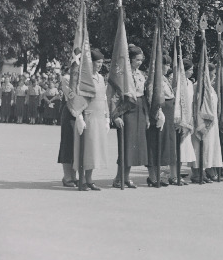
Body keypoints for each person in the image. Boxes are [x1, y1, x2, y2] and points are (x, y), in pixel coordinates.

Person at [72, 49, 110, 191]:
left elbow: (104, 98)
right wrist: (79, 117)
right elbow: (78, 98)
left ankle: (89, 179)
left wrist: (107, 117)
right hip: (88, 117)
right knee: (85, 150)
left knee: (94, 151)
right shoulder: (84, 78)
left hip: (99, 117)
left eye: (101, 62)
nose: (100, 65)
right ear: (91, 62)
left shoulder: (101, 78)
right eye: (97, 62)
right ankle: (81, 179)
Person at [112, 45, 148, 188]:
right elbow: (115, 96)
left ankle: (126, 177)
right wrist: (115, 116)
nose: (139, 62)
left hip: (139, 109)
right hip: (126, 110)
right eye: (137, 60)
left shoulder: (141, 74)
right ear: (130, 59)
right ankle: (118, 178)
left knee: (133, 147)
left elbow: (143, 96)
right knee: (125, 145)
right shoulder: (122, 75)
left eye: (141, 59)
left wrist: (146, 116)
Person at [146, 54, 176, 187]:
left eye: (169, 65)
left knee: (166, 145)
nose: (167, 67)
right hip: (158, 113)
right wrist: (158, 112)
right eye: (165, 64)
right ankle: (153, 176)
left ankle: (162, 175)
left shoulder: (164, 79)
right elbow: (151, 97)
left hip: (168, 114)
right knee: (155, 144)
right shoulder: (154, 79)